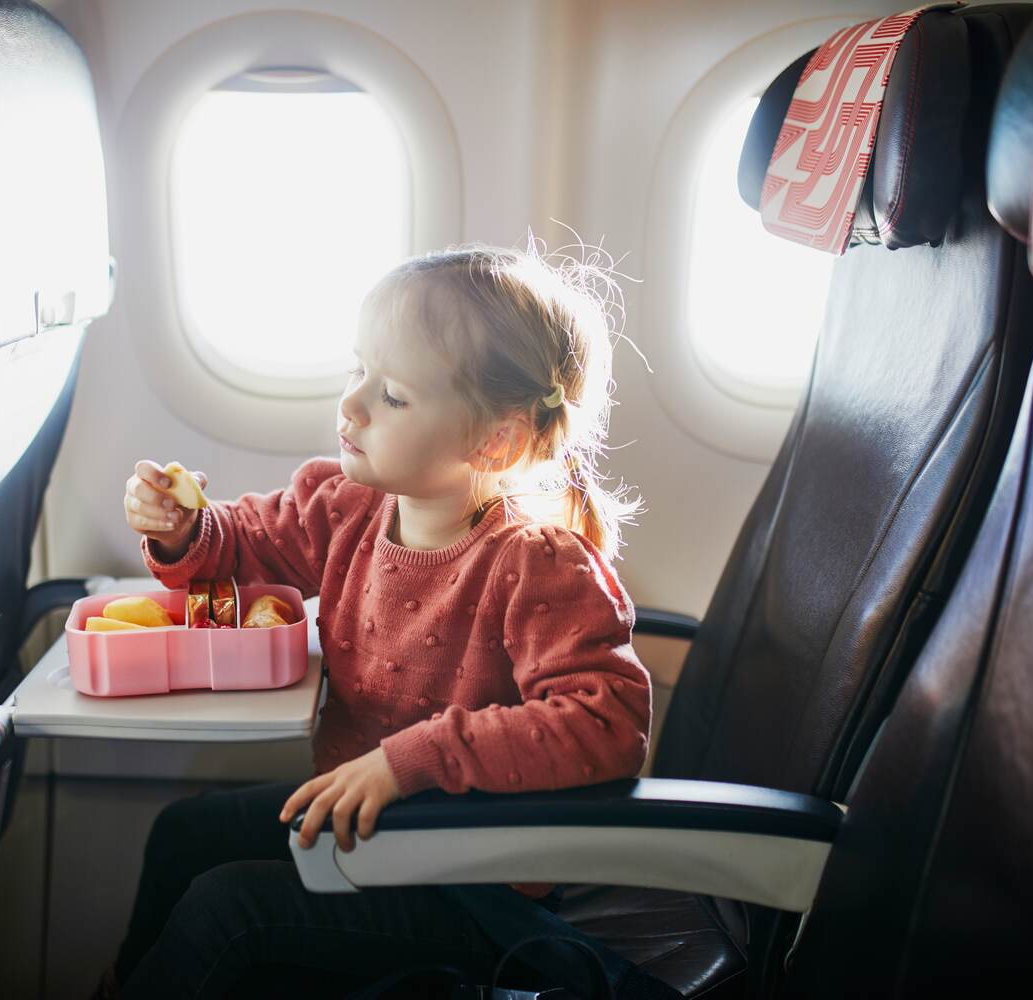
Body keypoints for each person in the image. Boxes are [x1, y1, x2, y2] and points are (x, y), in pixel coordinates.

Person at [107, 241, 654, 998]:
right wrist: (179, 530)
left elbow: (606, 723)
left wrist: (412, 759)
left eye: (392, 395)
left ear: (494, 440)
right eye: (355, 371)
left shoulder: (536, 563)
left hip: (469, 880)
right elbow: (239, 544)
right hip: (372, 835)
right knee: (184, 835)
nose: (352, 405)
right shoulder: (349, 507)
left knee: (225, 909)